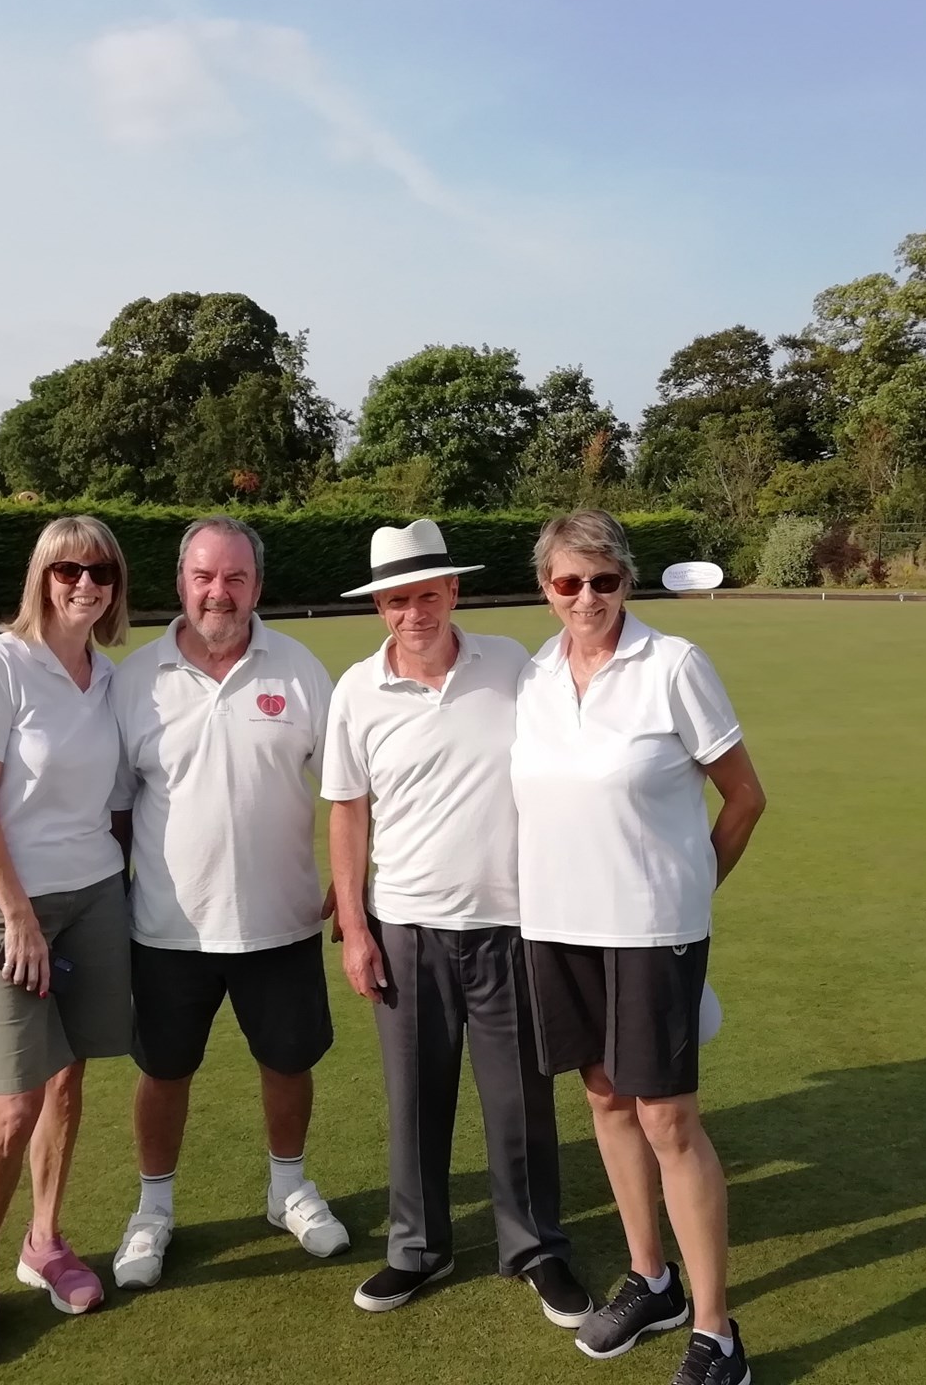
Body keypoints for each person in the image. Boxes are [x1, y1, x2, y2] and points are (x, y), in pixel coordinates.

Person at [511, 510, 767, 1385]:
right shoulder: (535, 676)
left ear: (627, 580)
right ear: (546, 588)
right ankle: (650, 1277)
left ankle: (716, 1332)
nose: (588, 598)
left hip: (652, 931)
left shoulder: (674, 666)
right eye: (569, 583)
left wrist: (691, 892)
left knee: (668, 1119)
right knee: (608, 1105)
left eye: (604, 581)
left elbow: (743, 798)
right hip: (557, 925)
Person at [323, 520, 596, 1325]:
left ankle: (536, 1246)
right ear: (381, 607)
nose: (415, 613)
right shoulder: (354, 692)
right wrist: (356, 928)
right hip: (405, 927)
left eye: (428, 595)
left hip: (511, 924)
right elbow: (346, 814)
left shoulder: (513, 665)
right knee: (415, 1099)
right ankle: (418, 1248)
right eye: (398, 599)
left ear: (454, 593)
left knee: (519, 1099)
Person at [107, 514, 349, 1289]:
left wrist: (353, 878)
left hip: (280, 921)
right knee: (164, 1070)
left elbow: (349, 792)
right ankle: (153, 1210)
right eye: (205, 576)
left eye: (236, 577)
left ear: (257, 586)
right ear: (181, 582)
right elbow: (113, 810)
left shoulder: (302, 670)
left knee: (287, 1061)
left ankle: (288, 1190)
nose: (220, 592)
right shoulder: (134, 682)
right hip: (167, 929)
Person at [0, 516, 137, 1367]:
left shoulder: (109, 679)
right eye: (68, 572)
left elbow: (124, 802)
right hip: (3, 905)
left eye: (100, 573)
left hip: (94, 893)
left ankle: (45, 1240)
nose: (84, 585)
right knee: (12, 1106)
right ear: (42, 578)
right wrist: (17, 912)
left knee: (66, 1083)